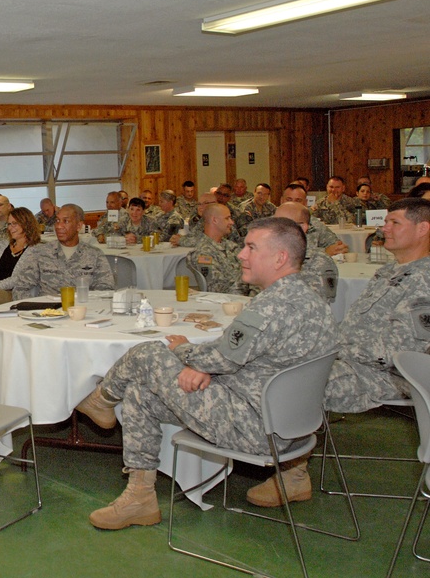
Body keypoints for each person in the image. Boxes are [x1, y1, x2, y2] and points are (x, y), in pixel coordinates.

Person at [76, 217, 336, 530]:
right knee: (141, 393)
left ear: (279, 258)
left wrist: (185, 352)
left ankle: (101, 399)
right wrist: (206, 368)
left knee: (148, 354)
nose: (241, 254)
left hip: (253, 427)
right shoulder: (311, 299)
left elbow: (221, 356)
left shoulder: (271, 306)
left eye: (252, 247)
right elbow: (242, 358)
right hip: (291, 425)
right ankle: (140, 496)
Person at [246, 198, 430, 508]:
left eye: (395, 223)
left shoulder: (424, 281)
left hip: (386, 375)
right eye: (385, 221)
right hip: (350, 360)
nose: (384, 228)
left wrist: (332, 351)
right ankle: (263, 452)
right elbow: (355, 325)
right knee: (277, 364)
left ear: (423, 229)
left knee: (297, 383)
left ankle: (294, 475)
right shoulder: (390, 271)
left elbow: (400, 352)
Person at [3, 204, 115, 299]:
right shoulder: (41, 253)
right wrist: (32, 310)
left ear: (78, 226)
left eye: (65, 221)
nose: (59, 226)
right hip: (48, 314)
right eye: (57, 220)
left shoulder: (94, 255)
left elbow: (105, 292)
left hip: (82, 313)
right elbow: (21, 288)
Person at [274, 203, 338, 302]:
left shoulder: (319, 262)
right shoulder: (266, 255)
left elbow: (313, 305)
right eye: (274, 223)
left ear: (302, 227)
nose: (275, 229)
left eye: (283, 224)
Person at [185, 203, 247, 294]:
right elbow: (216, 289)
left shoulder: (230, 246)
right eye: (227, 218)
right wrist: (250, 280)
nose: (232, 222)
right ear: (214, 220)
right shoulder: (203, 253)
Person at [281, 184, 347, 255]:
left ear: (305, 203)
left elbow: (335, 243)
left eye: (298, 200)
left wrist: (338, 248)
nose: (293, 204)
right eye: (289, 200)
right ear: (281, 201)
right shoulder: (271, 224)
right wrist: (324, 252)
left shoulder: (314, 223)